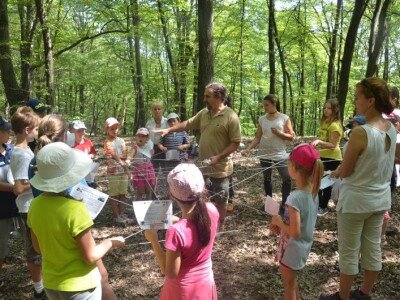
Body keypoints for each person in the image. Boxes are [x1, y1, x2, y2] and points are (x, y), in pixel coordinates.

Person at [320, 77, 397, 300]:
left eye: (357, 97)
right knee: (373, 247)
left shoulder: (361, 133)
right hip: (380, 199)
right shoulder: (390, 128)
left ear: (370, 100)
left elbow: (345, 170)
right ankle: (364, 293)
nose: (355, 101)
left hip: (356, 201)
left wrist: (333, 173)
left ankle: (344, 297)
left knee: (349, 251)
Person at [29, 114, 118, 300]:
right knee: (104, 283)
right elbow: (90, 255)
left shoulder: (34, 205)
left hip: (52, 281)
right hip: (81, 282)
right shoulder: (75, 208)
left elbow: (37, 248)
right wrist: (111, 242)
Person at [155, 82, 241, 227]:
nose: (204, 99)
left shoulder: (231, 116)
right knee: (201, 199)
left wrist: (218, 157)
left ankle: (217, 228)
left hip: (221, 170)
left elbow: (235, 142)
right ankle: (204, 226)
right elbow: (188, 123)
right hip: (203, 168)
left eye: (207, 96)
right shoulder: (204, 113)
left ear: (218, 96)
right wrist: (169, 130)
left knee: (220, 201)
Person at [144, 163, 219, 299]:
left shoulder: (176, 231)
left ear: (172, 195)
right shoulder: (212, 209)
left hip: (183, 291)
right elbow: (193, 229)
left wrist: (153, 240)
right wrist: (179, 220)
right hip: (205, 282)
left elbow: (169, 272)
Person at [270, 144, 323, 300]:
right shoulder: (313, 192)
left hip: (292, 248)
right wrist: (280, 226)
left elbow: (295, 232)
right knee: (292, 282)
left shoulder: (295, 197)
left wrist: (279, 222)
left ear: (294, 167)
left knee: (289, 287)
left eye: (288, 162)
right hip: (303, 247)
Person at [9, 107, 45, 299]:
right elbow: (19, 188)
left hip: (32, 206)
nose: (37, 133)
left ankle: (41, 285)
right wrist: (41, 178)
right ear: (26, 129)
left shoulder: (24, 151)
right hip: (27, 208)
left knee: (38, 246)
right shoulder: (22, 154)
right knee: (34, 249)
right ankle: (39, 289)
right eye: (36, 129)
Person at [242, 94, 295, 214]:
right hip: (264, 153)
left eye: (267, 105)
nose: (264, 107)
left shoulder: (284, 118)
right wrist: (248, 149)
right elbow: (257, 137)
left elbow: (292, 137)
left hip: (279, 153)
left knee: (286, 178)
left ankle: (285, 204)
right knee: (267, 178)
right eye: (263, 105)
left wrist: (279, 134)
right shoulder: (262, 119)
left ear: (274, 104)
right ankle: (269, 203)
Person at [312, 99, 343, 216]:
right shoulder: (325, 122)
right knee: (317, 181)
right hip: (322, 156)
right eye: (325, 107)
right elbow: (323, 139)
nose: (325, 110)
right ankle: (318, 204)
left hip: (332, 158)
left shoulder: (335, 125)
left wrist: (319, 142)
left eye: (329, 108)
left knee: (326, 183)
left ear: (334, 110)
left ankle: (323, 207)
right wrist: (316, 143)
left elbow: (333, 145)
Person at [0, 117, 19, 287]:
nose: (8, 133)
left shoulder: (11, 149)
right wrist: (13, 188)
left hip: (17, 206)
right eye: (5, 130)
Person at [103, 117, 132, 225]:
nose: (115, 131)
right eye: (112, 129)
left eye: (116, 128)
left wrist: (126, 167)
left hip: (123, 171)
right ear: (107, 129)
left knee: (123, 193)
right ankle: (116, 216)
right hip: (113, 171)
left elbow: (125, 153)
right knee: (114, 194)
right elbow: (113, 154)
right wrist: (120, 161)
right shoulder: (107, 142)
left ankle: (121, 213)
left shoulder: (121, 140)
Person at [131, 127, 156, 200]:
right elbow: (130, 155)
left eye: (143, 136)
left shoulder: (149, 145)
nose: (140, 138)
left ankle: (148, 208)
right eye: (139, 136)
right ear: (136, 137)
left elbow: (151, 154)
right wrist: (128, 160)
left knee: (149, 190)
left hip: (148, 170)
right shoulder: (135, 147)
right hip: (139, 171)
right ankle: (138, 209)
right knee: (140, 192)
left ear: (147, 138)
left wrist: (152, 152)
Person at [146, 101, 168, 173]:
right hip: (152, 149)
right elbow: (146, 137)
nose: (157, 111)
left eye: (159, 109)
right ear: (152, 111)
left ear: (162, 110)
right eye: (155, 109)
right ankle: (153, 184)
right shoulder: (149, 123)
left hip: (164, 149)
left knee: (166, 170)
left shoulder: (167, 122)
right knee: (153, 171)